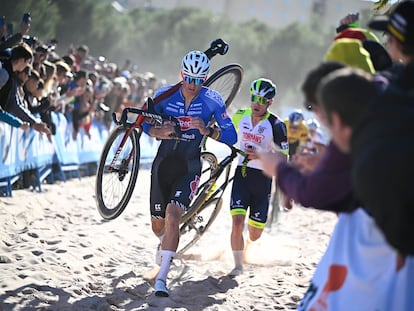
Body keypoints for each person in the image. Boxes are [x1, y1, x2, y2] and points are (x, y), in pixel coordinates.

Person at [142, 50, 237, 297]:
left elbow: (232, 136)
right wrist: (155, 132)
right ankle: (164, 243)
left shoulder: (213, 100)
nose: (193, 85)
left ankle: (162, 279)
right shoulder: (166, 93)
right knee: (158, 225)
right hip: (163, 164)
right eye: (189, 78)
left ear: (205, 78)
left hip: (189, 165)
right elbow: (142, 119)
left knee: (173, 215)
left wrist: (209, 130)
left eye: (199, 80)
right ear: (181, 74)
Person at [228, 78, 288, 276]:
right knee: (237, 222)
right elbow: (224, 128)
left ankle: (248, 247)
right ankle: (237, 265)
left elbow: (283, 158)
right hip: (242, 175)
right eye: (254, 98)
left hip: (263, 180)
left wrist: (262, 155)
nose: (256, 103)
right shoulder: (240, 115)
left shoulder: (277, 125)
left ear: (270, 103)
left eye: (262, 100)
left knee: (254, 235)